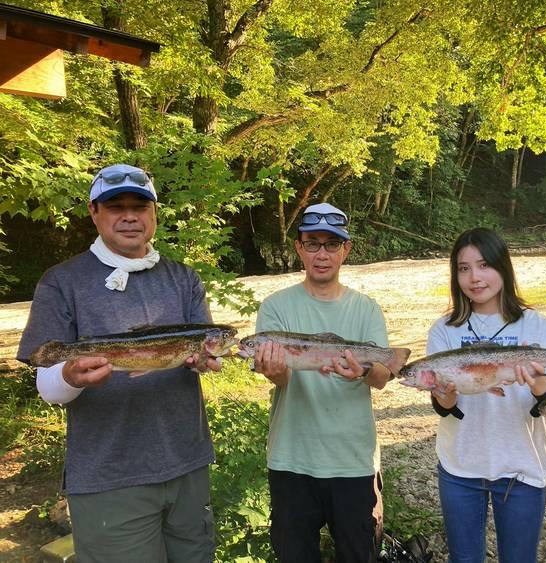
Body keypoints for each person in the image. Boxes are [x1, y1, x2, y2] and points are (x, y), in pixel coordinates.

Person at [17, 164, 222, 562]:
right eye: (116, 206)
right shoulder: (62, 281)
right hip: (108, 476)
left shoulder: (184, 278)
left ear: (154, 213)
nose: (130, 216)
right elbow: (47, 385)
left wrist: (202, 361)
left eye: (140, 206)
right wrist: (70, 376)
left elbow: (200, 352)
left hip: (187, 462)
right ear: (94, 212)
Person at [252, 202, 393, 562]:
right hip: (291, 460)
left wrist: (363, 371)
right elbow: (281, 378)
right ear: (298, 247)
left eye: (331, 244)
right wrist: (273, 368)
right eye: (313, 243)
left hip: (353, 461)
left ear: (346, 249)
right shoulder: (275, 307)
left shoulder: (366, 308)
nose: (322, 254)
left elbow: (382, 378)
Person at [427, 227, 546, 563]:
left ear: (503, 267)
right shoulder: (443, 330)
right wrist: (444, 393)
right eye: (464, 268)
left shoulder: (536, 326)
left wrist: (536, 381)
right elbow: (444, 407)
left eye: (484, 265)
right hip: (460, 467)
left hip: (522, 467)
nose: (474, 277)